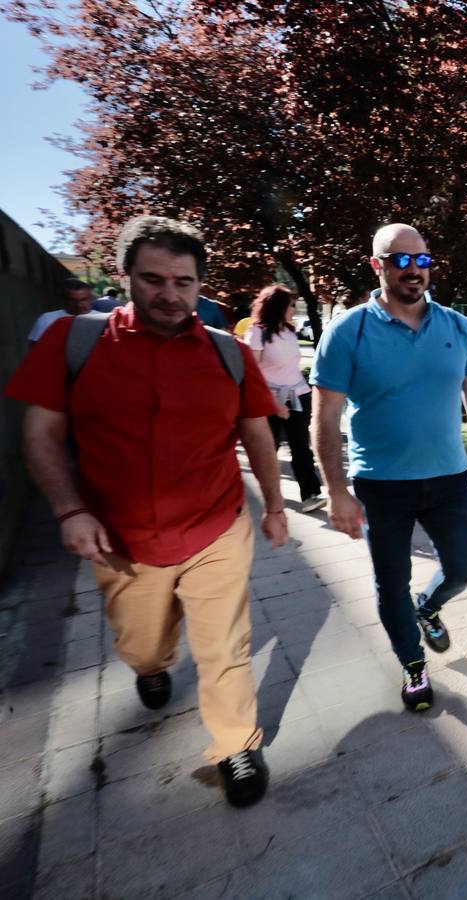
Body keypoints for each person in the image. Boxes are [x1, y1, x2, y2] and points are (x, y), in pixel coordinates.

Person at [4, 215, 288, 807]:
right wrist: (68, 511)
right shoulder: (73, 342)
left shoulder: (228, 354)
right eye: (154, 279)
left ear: (199, 286)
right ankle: (152, 665)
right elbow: (39, 436)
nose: (170, 294)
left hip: (214, 527)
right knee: (141, 642)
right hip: (120, 538)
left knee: (224, 647)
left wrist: (275, 508)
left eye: (183, 282)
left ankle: (236, 743)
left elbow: (258, 436)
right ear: (126, 276)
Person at [312, 223, 467, 713]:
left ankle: (429, 606)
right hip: (381, 485)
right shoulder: (347, 331)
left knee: (465, 566)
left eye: (422, 260)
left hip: (449, 478)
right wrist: (335, 489)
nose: (414, 270)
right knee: (389, 582)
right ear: (378, 266)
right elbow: (325, 416)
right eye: (400, 260)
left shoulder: (457, 326)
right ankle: (413, 666)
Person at [244, 285, 324, 513]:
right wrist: (274, 404)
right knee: (268, 449)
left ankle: (311, 494)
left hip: (298, 395)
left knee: (301, 447)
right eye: (290, 305)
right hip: (268, 399)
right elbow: (252, 374)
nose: (293, 309)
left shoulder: (289, 331)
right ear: (277, 306)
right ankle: (267, 494)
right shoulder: (257, 332)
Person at [27, 278, 94, 345]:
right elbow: (35, 347)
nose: (78, 305)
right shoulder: (47, 319)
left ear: (91, 298)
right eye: (72, 300)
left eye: (83, 300)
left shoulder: (102, 319)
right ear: (64, 299)